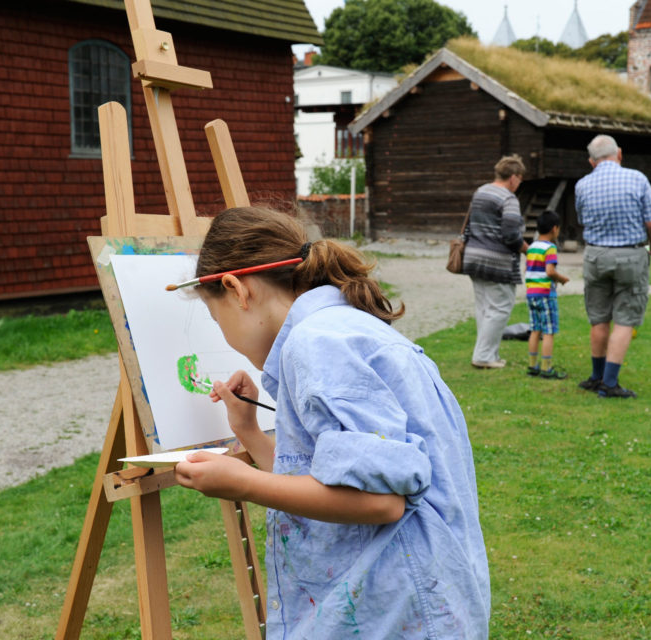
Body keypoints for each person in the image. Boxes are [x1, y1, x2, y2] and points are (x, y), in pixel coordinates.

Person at [173, 207, 490, 639]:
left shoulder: (317, 343)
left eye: (216, 318)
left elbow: (380, 501)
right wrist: (248, 430)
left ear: (236, 288)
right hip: (416, 606)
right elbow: (330, 484)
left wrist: (243, 483)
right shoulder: (341, 328)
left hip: (397, 615)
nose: (223, 334)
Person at [574, 135, 651, 399]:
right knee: (625, 319)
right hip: (630, 254)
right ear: (619, 154)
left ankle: (595, 376)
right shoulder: (637, 179)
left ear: (591, 161)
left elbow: (582, 219)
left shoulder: (582, 185)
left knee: (599, 317)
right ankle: (609, 384)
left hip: (595, 255)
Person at [462, 154, 529, 369]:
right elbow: (511, 234)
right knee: (500, 308)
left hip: (473, 257)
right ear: (514, 177)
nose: (519, 184)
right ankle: (483, 356)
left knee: (484, 308)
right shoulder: (508, 198)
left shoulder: (481, 192)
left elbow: (469, 226)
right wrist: (529, 250)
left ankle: (488, 354)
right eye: (520, 179)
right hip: (497, 262)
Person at [524, 209, 570, 379]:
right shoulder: (550, 248)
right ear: (554, 229)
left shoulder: (532, 247)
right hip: (545, 293)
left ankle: (532, 365)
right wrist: (561, 278)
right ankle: (546, 368)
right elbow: (550, 271)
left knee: (535, 329)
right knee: (549, 331)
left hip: (531, 293)